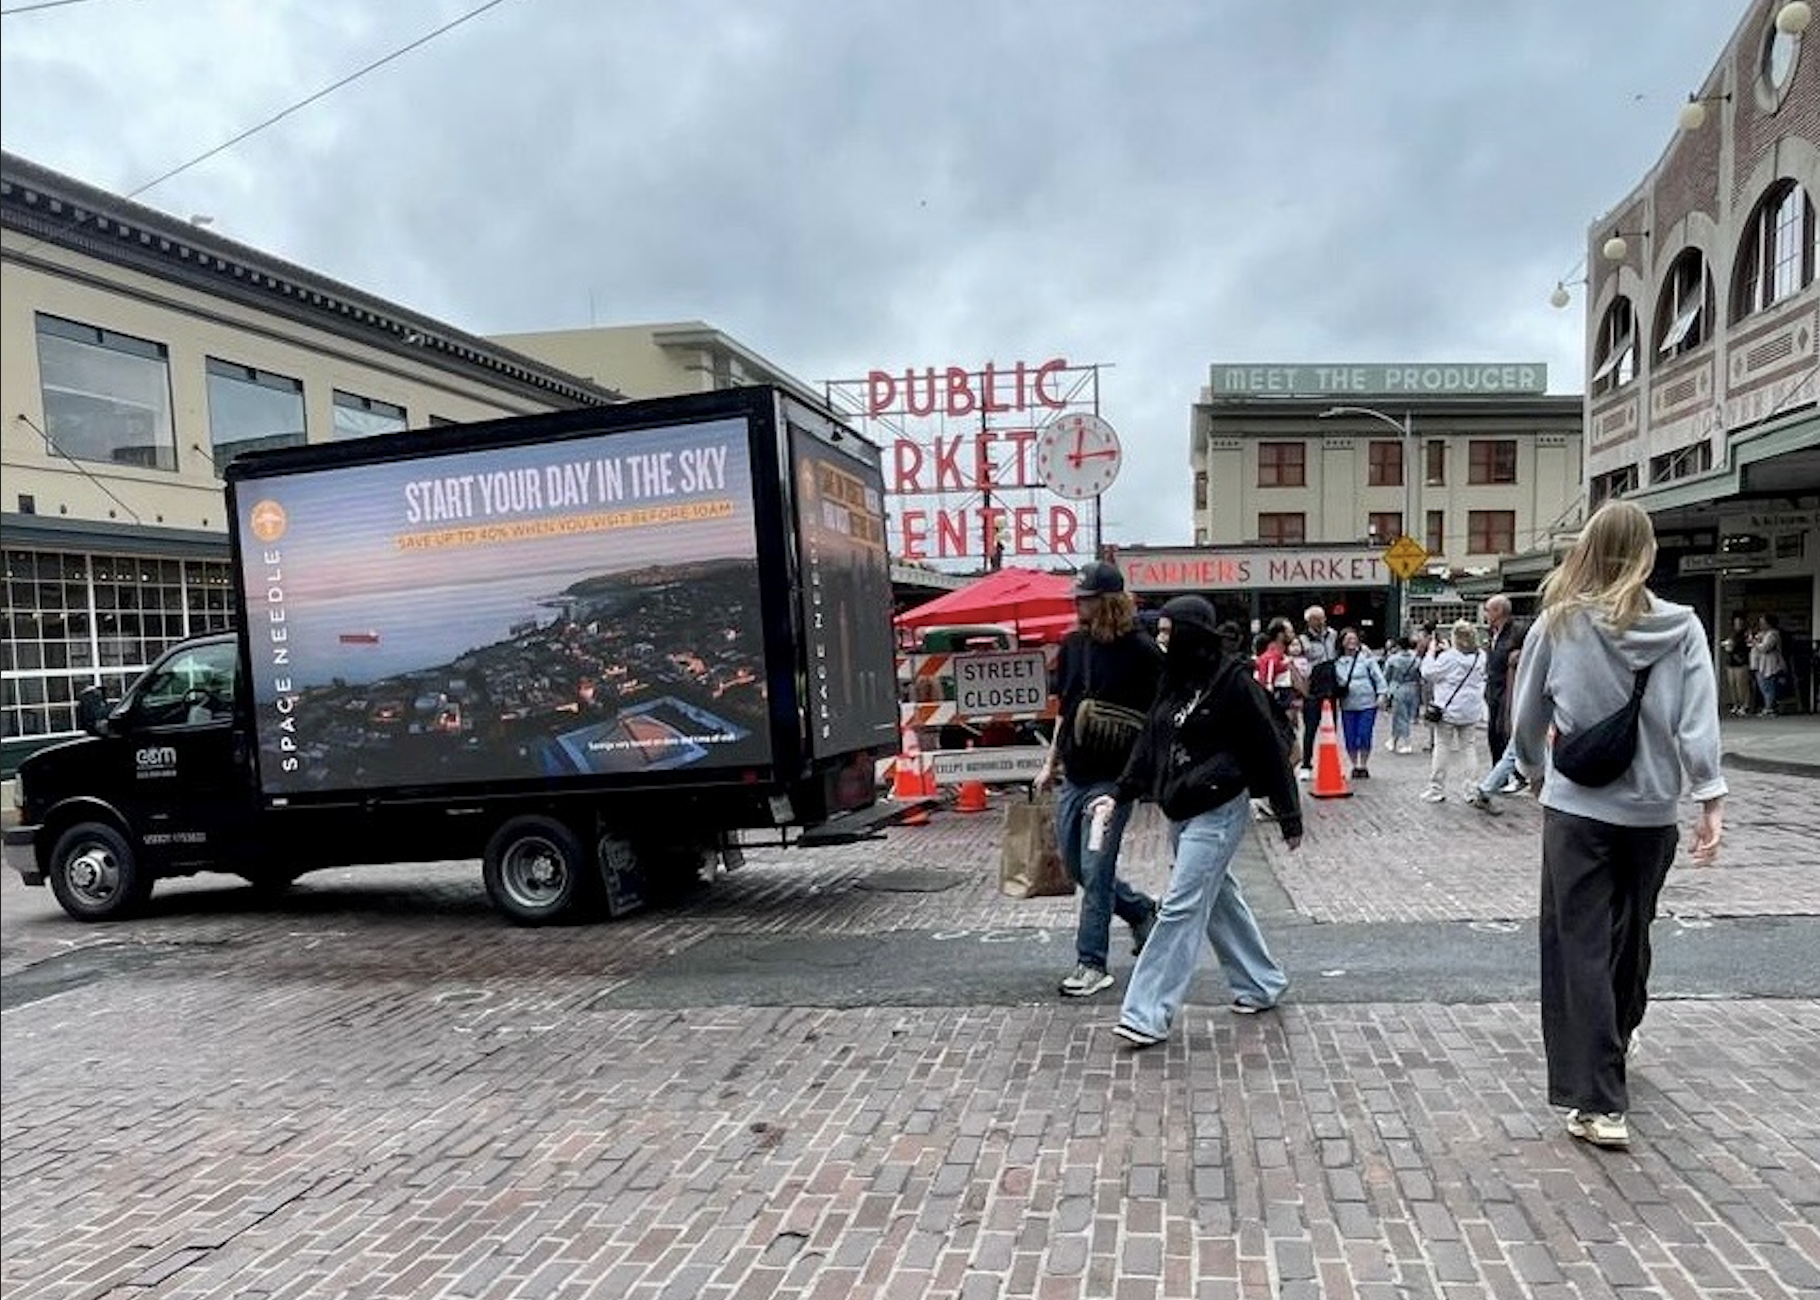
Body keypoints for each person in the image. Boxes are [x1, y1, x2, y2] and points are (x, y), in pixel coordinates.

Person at [1509, 500, 1725, 1151]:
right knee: (1632, 935)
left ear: (1588, 549)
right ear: (1648, 552)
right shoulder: (1682, 628)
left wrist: (1531, 768)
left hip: (1578, 809)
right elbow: (1698, 719)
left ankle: (1599, 1099)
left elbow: (1526, 710)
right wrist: (1709, 796)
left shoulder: (1560, 622)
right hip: (1653, 809)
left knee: (1579, 943)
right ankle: (1615, 1045)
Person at [1086, 595, 1301, 1048]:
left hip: (1220, 809)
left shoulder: (1234, 684)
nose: (1161, 640)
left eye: (1167, 632)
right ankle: (1260, 983)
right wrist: (1119, 793)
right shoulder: (1174, 679)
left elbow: (1268, 746)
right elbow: (1150, 741)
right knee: (1218, 898)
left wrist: (1289, 814)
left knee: (1181, 905)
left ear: (1189, 633)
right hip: (1182, 809)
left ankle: (1146, 1013)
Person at [1034, 560, 1162, 999]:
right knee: (1075, 865)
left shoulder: (1143, 651)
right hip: (1076, 773)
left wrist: (1144, 774)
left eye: (1085, 598)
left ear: (1108, 602)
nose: (1078, 605)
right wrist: (1050, 763)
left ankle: (1092, 962)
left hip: (1115, 781)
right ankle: (1142, 910)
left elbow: (1156, 717)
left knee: (1096, 866)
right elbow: (1066, 711)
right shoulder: (1073, 646)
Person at [1418, 621, 1486, 803]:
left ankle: (1436, 788)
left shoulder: (1449, 657)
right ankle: (1471, 789)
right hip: (1470, 709)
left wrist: (1431, 652)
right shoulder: (1481, 656)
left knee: (1442, 747)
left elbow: (1428, 673)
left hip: (1447, 709)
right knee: (1469, 748)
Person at [1481, 595, 1530, 793]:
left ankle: (1519, 776)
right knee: (1494, 734)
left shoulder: (1517, 631)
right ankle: (1498, 775)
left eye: (1488, 610)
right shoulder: (1493, 633)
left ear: (1498, 611)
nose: (1485, 615)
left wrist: (1519, 658)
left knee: (1508, 733)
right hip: (1494, 689)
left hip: (1510, 689)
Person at [1331, 629, 1388, 778]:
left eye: (1354, 639)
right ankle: (1354, 764)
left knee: (1364, 733)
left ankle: (1363, 764)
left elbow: (1378, 677)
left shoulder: (1366, 659)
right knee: (1350, 735)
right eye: (1348, 639)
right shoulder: (1336, 662)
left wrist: (1381, 694)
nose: (1351, 642)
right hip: (1347, 704)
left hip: (1367, 703)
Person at [1297, 606, 1339, 775]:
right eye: (1318, 619)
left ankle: (1332, 763)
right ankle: (1306, 764)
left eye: (1323, 618)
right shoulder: (1303, 639)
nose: (1322, 622)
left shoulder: (1333, 635)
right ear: (1310, 621)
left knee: (1331, 727)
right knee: (1311, 727)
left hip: (1330, 684)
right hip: (1313, 686)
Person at [1382, 637, 1422, 754]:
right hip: (1413, 688)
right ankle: (1393, 740)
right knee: (1403, 716)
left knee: (1400, 716)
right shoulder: (1416, 659)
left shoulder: (1393, 659)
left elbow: (1386, 675)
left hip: (1397, 688)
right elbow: (1420, 675)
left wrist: (1385, 691)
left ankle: (1407, 743)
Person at [1751, 614, 1787, 716]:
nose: (1761, 624)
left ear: (1769, 623)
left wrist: (1755, 643)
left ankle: (1770, 707)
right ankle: (1767, 706)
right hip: (1760, 664)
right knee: (1762, 686)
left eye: (1763, 622)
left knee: (1769, 686)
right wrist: (1755, 641)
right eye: (1760, 622)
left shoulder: (1773, 634)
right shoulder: (1761, 634)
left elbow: (1765, 648)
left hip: (1770, 664)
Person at [1723, 614, 1755, 716]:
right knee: (1732, 684)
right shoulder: (1732, 634)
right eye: (1736, 623)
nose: (1738, 625)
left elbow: (1749, 645)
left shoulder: (1747, 633)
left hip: (1742, 660)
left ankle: (1745, 705)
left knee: (1741, 684)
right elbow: (1727, 644)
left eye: (1740, 623)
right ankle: (1736, 704)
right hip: (1731, 661)